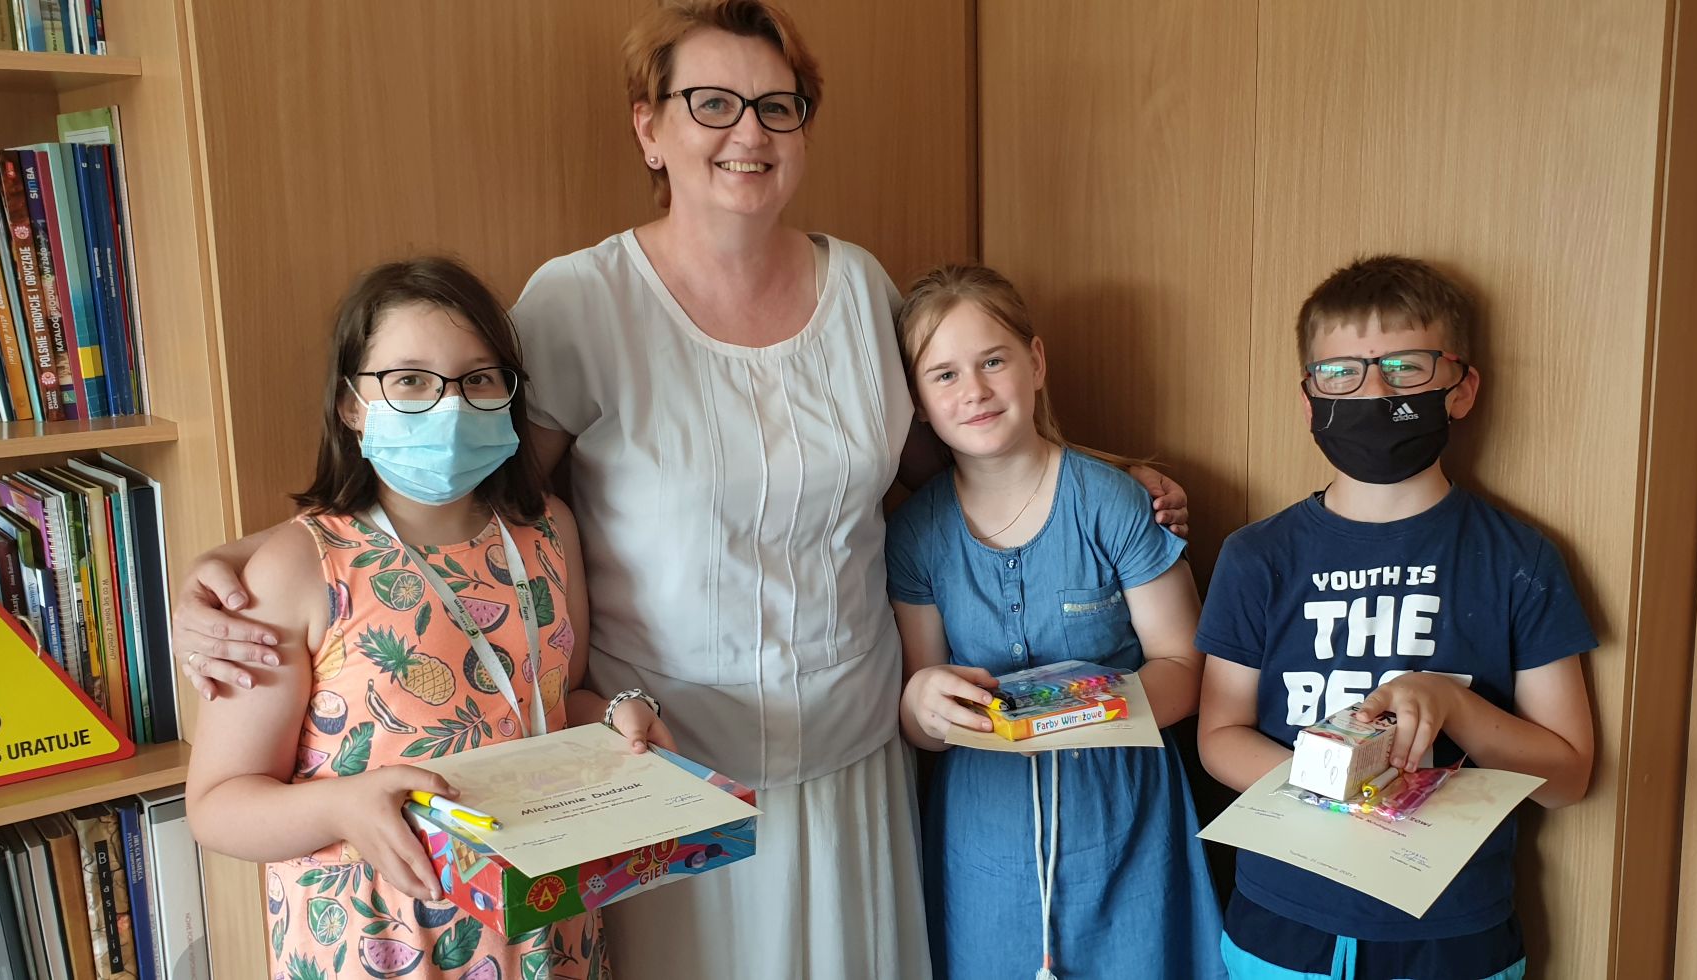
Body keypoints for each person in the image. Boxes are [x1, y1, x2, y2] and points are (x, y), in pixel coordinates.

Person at [168, 4, 1187, 977]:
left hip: (854, 753)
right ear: (649, 127)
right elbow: (464, 491)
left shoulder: (862, 288)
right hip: (667, 774)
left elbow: (945, 456)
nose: (749, 131)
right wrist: (243, 563)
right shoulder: (581, 301)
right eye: (712, 103)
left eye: (778, 105)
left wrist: (1095, 471)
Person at [184, 258, 668, 980]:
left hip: (548, 927)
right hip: (379, 943)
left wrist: (617, 716)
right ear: (351, 404)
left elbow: (554, 702)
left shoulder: (549, 532)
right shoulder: (295, 570)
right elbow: (217, 805)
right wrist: (342, 808)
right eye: (410, 379)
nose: (450, 405)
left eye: (478, 379)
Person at [1195, 255, 1597, 980]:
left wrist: (1453, 703)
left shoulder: (1519, 558)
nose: (1374, 391)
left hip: (1455, 934)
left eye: (1406, 368)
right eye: (1340, 373)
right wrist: (1340, 788)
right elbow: (1219, 736)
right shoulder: (1257, 556)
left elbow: (1568, 779)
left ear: (1461, 388)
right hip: (1283, 927)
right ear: (1310, 399)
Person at [886, 265, 1225, 980]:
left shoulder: (1116, 503)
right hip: (985, 833)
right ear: (915, 400)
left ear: (1035, 362)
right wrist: (921, 704)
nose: (974, 390)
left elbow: (1185, 667)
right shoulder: (916, 533)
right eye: (943, 375)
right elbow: (922, 714)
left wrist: (1084, 708)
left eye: (993, 361)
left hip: (1123, 816)